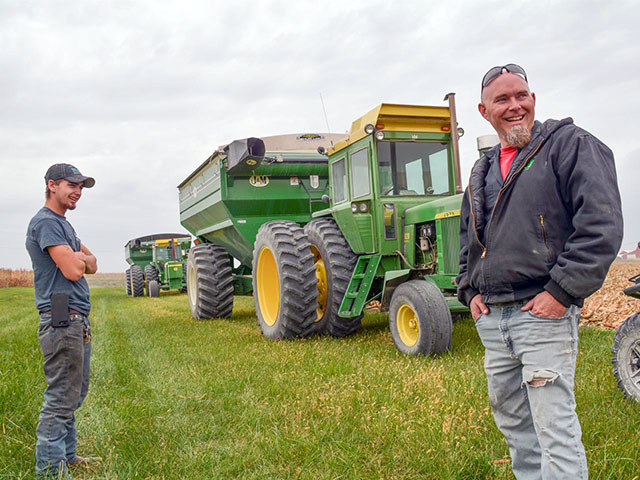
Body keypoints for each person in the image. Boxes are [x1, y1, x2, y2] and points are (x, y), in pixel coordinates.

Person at [457, 64, 623, 479]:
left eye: (522, 96)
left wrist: (562, 291)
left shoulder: (570, 146)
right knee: (516, 428)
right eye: (503, 99)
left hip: (541, 317)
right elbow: (468, 238)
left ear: (533, 99)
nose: (516, 106)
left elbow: (601, 224)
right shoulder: (482, 169)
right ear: (484, 110)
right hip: (494, 321)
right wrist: (468, 291)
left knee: (555, 431)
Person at [26, 164, 99, 478]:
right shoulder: (46, 223)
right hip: (61, 318)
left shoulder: (64, 226)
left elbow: (93, 264)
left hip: (75, 319)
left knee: (74, 394)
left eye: (81, 187)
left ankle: (67, 455)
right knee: (60, 397)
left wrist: (76, 255)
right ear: (51, 185)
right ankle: (49, 469)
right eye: (72, 185)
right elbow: (73, 271)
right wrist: (76, 258)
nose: (78, 192)